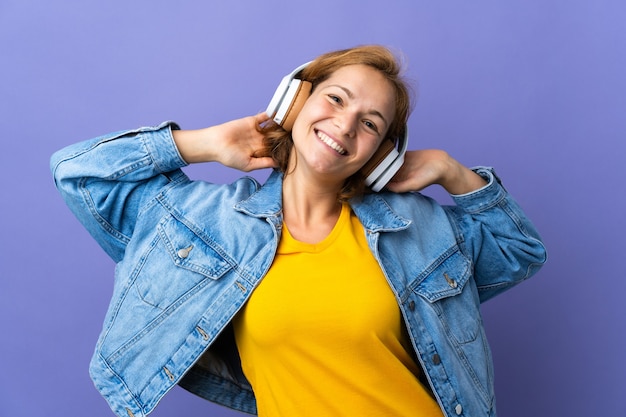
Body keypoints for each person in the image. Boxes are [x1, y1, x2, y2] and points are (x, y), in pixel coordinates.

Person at [51, 45, 546, 417]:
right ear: (294, 101)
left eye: (371, 124)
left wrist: (450, 170)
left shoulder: (417, 227)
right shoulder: (207, 220)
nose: (346, 125)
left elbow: (520, 249)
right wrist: (200, 143)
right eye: (335, 98)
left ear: (381, 153)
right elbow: (78, 174)